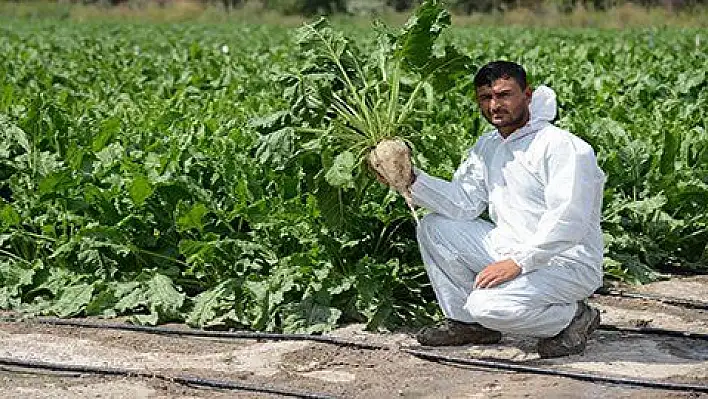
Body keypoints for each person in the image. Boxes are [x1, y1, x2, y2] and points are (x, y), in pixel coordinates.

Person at [404, 61, 605, 358]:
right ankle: (469, 324)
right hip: (513, 247)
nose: (495, 105)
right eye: (486, 98)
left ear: (527, 94)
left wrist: (518, 263)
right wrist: (410, 178)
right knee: (434, 227)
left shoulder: (562, 147)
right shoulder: (488, 145)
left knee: (487, 305)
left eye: (504, 95)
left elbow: (568, 221)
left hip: (566, 262)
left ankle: (573, 317)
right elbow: (463, 202)